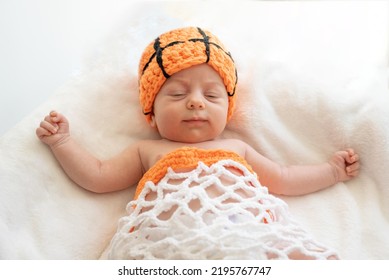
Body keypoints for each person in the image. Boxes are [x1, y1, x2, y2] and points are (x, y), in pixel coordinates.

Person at [36, 27, 359, 259]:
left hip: (246, 233)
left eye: (211, 94)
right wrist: (62, 141)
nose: (195, 102)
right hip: (170, 241)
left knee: (311, 257)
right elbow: (98, 176)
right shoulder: (148, 150)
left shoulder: (235, 149)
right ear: (151, 112)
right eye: (177, 93)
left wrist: (332, 171)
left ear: (228, 108)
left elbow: (285, 178)